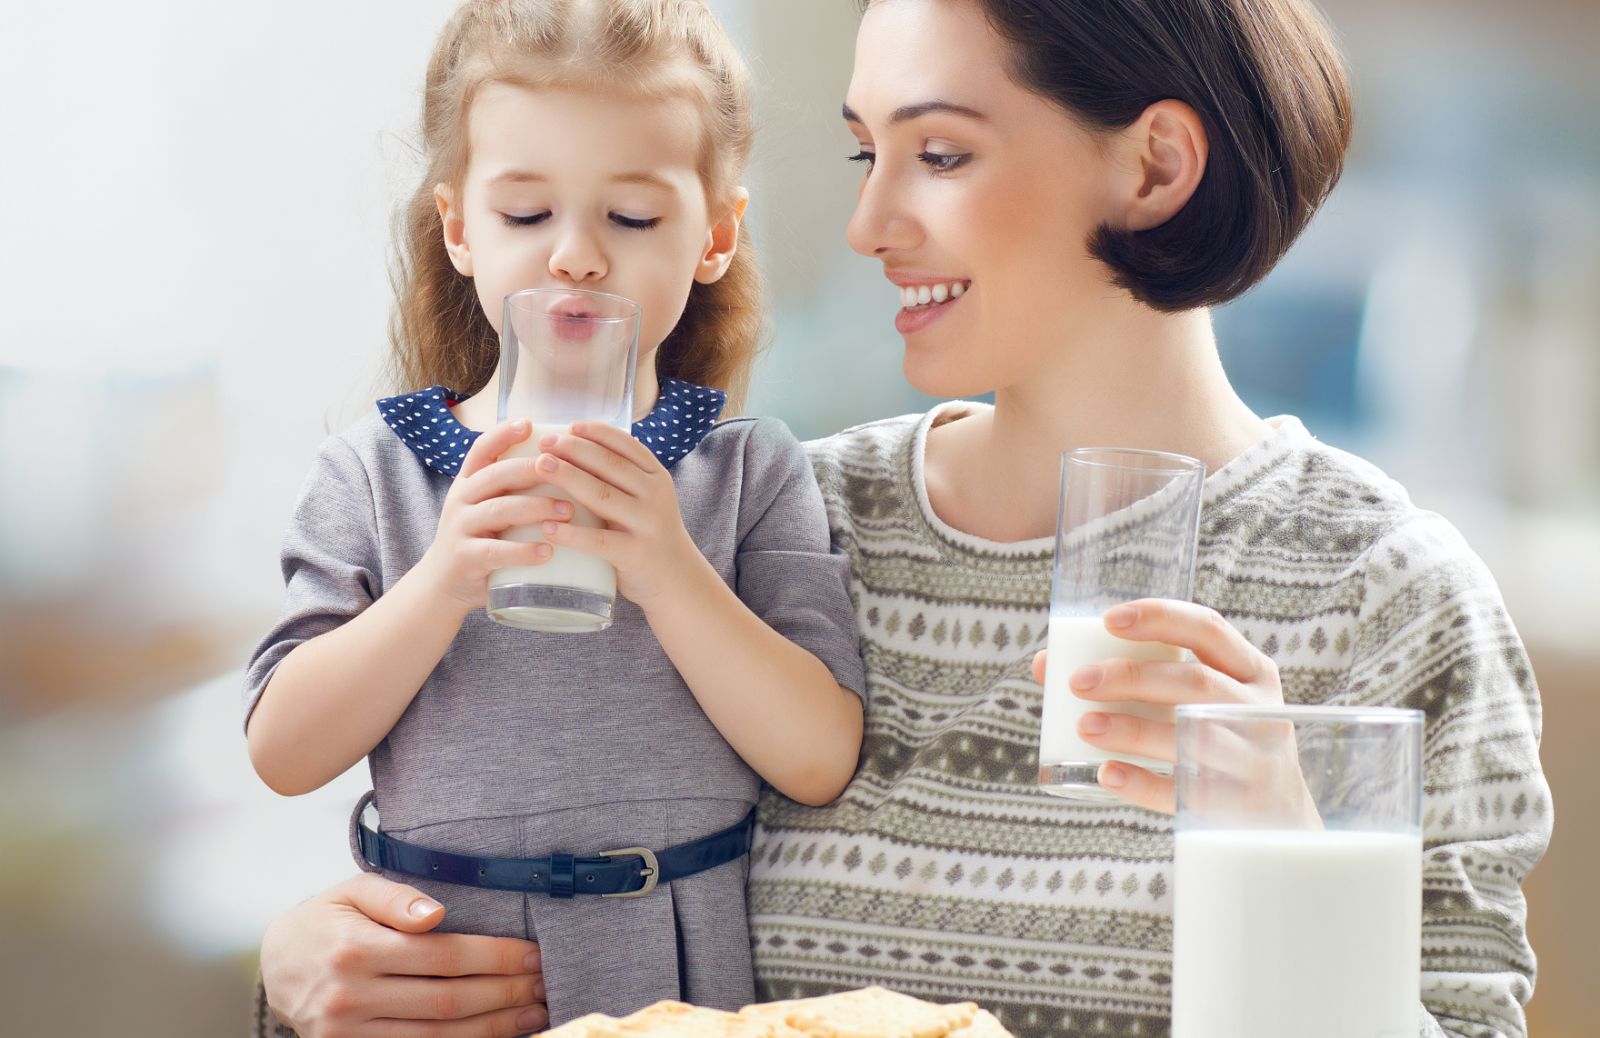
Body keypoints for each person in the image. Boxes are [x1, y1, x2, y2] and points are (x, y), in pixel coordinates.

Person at [254, 0, 1553, 1036]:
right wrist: (309, 967)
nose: (870, 223)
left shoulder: (1383, 594)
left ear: (1154, 164)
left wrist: (1284, 854)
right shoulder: (779, 514)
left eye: (938, 154)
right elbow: (502, 801)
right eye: (866, 153)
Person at [242, 0, 867, 1029]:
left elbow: (816, 753)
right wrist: (443, 579)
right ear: (459, 230)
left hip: (675, 974)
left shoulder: (747, 471)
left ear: (713, 235)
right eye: (526, 216)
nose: (576, 256)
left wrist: (668, 567)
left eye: (630, 218)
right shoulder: (374, 474)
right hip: (444, 977)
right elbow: (283, 750)